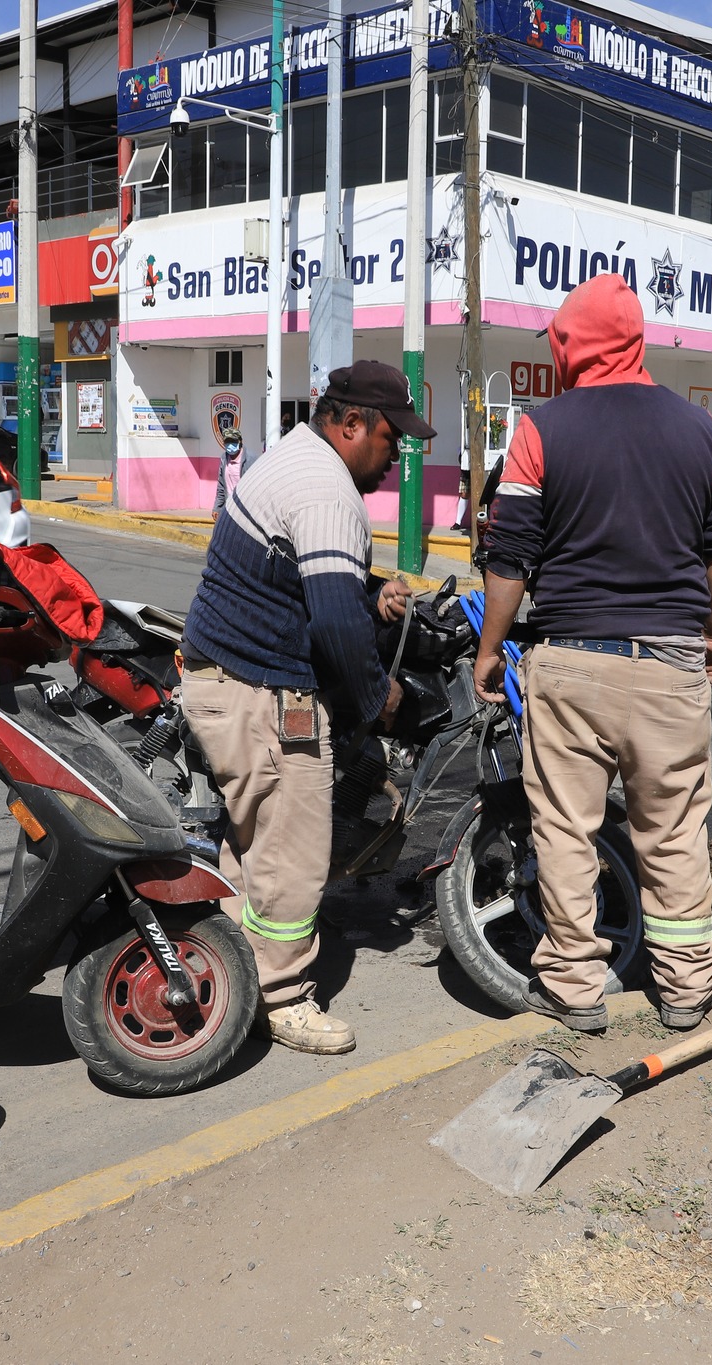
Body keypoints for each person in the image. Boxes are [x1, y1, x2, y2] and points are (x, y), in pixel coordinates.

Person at [472, 273, 712, 1035]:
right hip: (671, 664)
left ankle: (573, 985)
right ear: (637, 341)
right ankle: (688, 988)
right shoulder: (703, 432)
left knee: (565, 827)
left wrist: (492, 648)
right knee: (674, 829)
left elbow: (510, 557)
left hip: (571, 659)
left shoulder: (540, 429)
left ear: (569, 343)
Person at [179, 361, 437, 1055]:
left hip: (223, 680)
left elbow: (306, 578)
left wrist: (369, 588)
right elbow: (333, 626)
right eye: (389, 439)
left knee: (254, 843)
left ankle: (233, 967)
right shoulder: (328, 490)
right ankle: (284, 997)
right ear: (350, 425)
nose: (394, 456)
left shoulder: (293, 454)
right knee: (293, 854)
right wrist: (380, 697)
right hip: (263, 694)